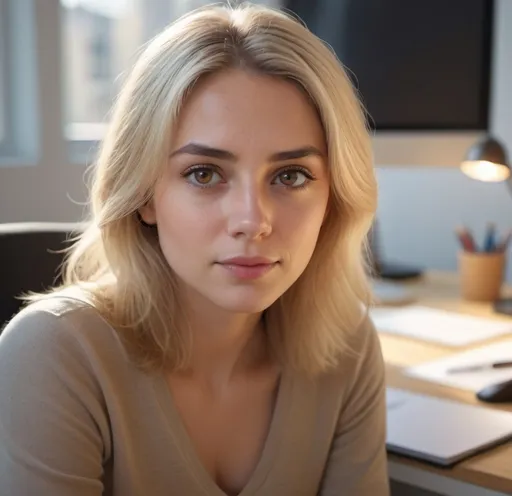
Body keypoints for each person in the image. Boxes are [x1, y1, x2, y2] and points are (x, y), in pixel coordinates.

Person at [0, 3, 389, 495]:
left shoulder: (347, 348)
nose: (252, 220)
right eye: (204, 174)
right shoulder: (55, 354)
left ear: (333, 196)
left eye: (291, 176)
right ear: (144, 194)